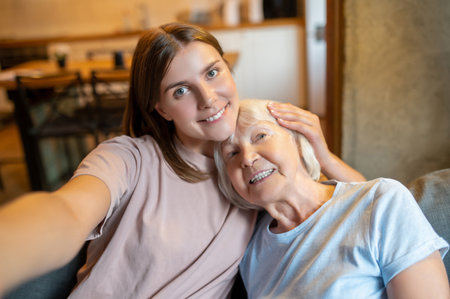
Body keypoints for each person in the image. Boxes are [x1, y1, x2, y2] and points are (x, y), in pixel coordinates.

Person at [0, 23, 365, 298]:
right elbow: (66, 214)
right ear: (160, 108)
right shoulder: (130, 159)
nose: (208, 98)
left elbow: (362, 207)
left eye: (212, 72)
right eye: (180, 90)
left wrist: (322, 153)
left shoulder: (256, 160)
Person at [214, 99, 450, 298]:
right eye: (232, 153)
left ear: (296, 141)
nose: (246, 158)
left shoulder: (382, 200)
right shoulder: (248, 250)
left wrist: (324, 157)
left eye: (260, 136)